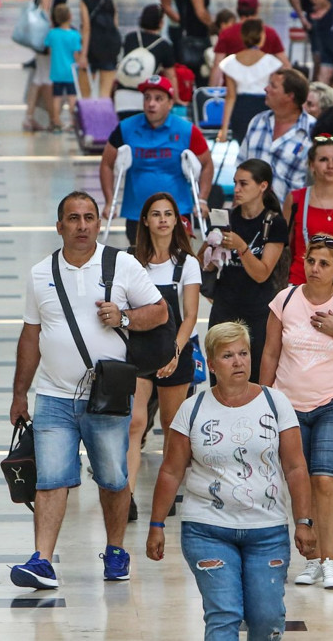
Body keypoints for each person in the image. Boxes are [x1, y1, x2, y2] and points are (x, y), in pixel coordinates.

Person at [8, 192, 168, 589]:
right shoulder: (40, 272)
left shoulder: (122, 264)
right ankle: (42, 560)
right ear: (59, 225)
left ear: (99, 224)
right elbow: (31, 335)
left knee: (113, 478)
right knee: (51, 479)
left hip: (108, 395)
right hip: (54, 396)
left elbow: (160, 310)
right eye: (73, 218)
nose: (82, 226)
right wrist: (19, 394)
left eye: (89, 218)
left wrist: (125, 315)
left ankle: (115, 551)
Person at [146, 321, 315, 641]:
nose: (238, 361)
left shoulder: (275, 403)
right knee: (224, 615)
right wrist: (157, 525)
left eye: (243, 353)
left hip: (267, 530)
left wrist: (304, 521)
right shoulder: (191, 409)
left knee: (267, 618)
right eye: (227, 355)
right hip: (207, 528)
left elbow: (295, 467)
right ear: (211, 364)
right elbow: (171, 470)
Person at [261, 235, 333, 590]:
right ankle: (310, 559)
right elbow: (269, 354)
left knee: (327, 480)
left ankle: (329, 560)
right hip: (287, 405)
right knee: (301, 483)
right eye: (311, 261)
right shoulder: (285, 299)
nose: (315, 268)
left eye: (324, 263)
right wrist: (263, 398)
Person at [128, 192, 200, 520]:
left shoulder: (187, 263)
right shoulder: (131, 261)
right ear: (145, 220)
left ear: (176, 220)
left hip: (175, 352)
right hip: (137, 352)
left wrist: (175, 351)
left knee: (172, 425)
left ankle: (167, 491)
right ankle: (125, 495)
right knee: (135, 423)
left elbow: (189, 316)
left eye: (168, 214)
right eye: (155, 214)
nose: (162, 219)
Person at [100, 75, 212, 245]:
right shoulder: (125, 128)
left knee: (178, 262)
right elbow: (107, 164)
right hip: (137, 213)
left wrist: (202, 199)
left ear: (170, 103)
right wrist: (109, 201)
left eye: (158, 99)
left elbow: (206, 164)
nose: (151, 104)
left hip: (178, 212)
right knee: (139, 264)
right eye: (147, 98)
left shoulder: (187, 130)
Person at [205, 160, 289, 382]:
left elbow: (262, 273)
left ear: (262, 186)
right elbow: (202, 266)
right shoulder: (225, 218)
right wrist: (211, 251)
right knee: (220, 376)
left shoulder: (274, 223)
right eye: (235, 183)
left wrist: (241, 247)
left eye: (243, 183)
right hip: (225, 306)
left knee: (255, 376)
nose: (237, 189)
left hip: (259, 310)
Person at [283, 135, 333, 285]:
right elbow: (283, 245)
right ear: (312, 165)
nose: (330, 165)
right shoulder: (295, 199)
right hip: (301, 282)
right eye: (323, 159)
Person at [237, 67, 315, 204]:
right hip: (250, 217)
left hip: (291, 220)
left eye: (273, 86)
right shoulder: (257, 122)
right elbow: (241, 169)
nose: (266, 89)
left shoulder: (312, 130)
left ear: (289, 96)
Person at [23, 0, 73, 133]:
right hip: (47, 35)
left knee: (39, 76)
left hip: (52, 34)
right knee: (45, 76)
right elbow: (45, 9)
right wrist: (55, 34)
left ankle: (31, 117)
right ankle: (53, 118)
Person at [217, 18, 282, 143]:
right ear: (262, 36)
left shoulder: (230, 62)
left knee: (244, 150)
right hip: (263, 107)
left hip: (240, 109)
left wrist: (224, 129)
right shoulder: (271, 62)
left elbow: (230, 97)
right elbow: (275, 93)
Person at [210, 0, 289, 85]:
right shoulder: (269, 33)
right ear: (257, 8)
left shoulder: (226, 34)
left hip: (233, 89)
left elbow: (217, 66)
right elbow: (285, 65)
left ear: (238, 9)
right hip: (263, 91)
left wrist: (211, 92)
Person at [115, 3, 179, 115]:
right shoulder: (164, 45)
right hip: (146, 98)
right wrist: (175, 98)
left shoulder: (130, 38)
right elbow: (171, 76)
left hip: (121, 97)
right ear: (161, 23)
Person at [79, 0, 120, 99]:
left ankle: (87, 119)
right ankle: (105, 119)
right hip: (110, 47)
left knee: (86, 94)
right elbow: (115, 26)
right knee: (105, 93)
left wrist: (83, 55)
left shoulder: (85, 2)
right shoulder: (110, 2)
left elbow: (86, 28)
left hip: (93, 47)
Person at [44, 3, 81, 132]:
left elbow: (49, 50)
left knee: (57, 97)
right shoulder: (75, 35)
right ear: (70, 16)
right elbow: (76, 54)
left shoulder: (52, 33)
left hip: (56, 71)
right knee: (72, 97)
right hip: (70, 72)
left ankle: (56, 121)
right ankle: (73, 121)